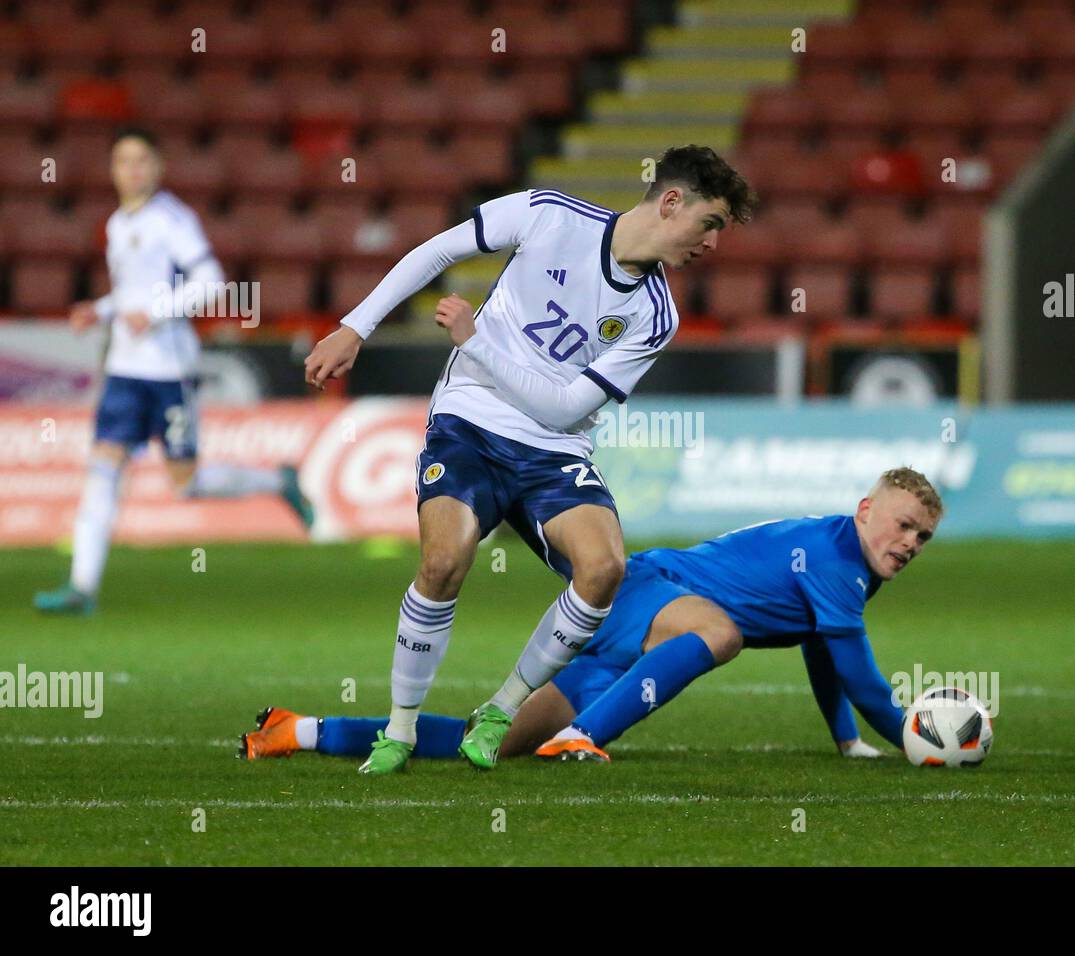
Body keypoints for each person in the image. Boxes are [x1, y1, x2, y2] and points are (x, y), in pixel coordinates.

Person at [302, 145, 757, 772]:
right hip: (470, 419)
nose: (711, 244)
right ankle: (399, 731)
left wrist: (479, 344)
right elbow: (438, 250)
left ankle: (499, 710)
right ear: (672, 201)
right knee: (442, 560)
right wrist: (356, 326)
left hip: (554, 447)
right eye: (710, 224)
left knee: (603, 569)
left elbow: (567, 408)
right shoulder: (549, 214)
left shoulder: (655, 314)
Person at [239, 468, 941, 765]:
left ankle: (296, 731)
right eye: (904, 526)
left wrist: (847, 743)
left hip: (641, 622)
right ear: (866, 511)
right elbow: (868, 684)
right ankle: (581, 736)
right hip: (649, 591)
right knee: (719, 632)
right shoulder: (836, 562)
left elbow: (825, 651)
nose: (909, 545)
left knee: (493, 742)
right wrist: (915, 735)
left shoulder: (849, 568)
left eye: (922, 538)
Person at [34, 127, 313, 616]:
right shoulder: (120, 223)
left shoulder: (172, 219)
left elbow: (212, 282)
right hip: (124, 368)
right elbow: (131, 291)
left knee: (186, 484)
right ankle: (81, 588)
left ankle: (277, 482)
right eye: (123, 161)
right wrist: (100, 311)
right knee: (103, 468)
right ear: (113, 169)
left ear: (157, 167)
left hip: (167, 369)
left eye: (142, 161)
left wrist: (158, 312)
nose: (132, 170)